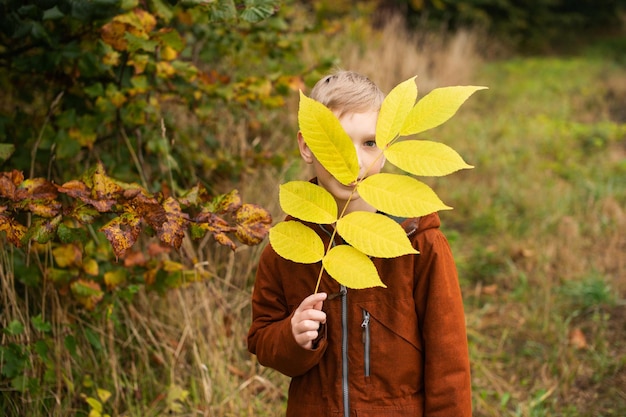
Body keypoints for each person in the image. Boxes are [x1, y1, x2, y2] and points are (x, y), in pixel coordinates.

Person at [247, 70, 472, 417]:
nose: (353, 160)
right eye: (335, 142)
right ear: (307, 146)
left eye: (369, 143)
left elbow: (449, 361)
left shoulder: (419, 242)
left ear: (385, 151)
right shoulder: (288, 244)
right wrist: (292, 337)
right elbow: (262, 340)